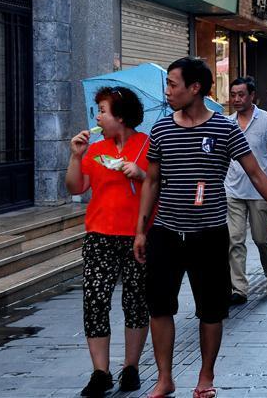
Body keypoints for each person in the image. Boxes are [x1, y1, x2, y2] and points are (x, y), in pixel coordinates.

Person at [133, 58, 267, 398]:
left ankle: (205, 376)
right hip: (165, 232)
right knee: (160, 306)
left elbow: (257, 174)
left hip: (209, 233)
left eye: (172, 85)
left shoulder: (225, 130)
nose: (167, 92)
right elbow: (152, 181)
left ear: (194, 88)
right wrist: (141, 230)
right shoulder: (161, 129)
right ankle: (164, 378)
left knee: (211, 310)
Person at [66, 87, 149, 397]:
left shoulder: (147, 146)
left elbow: (161, 186)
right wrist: (75, 156)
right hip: (99, 234)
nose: (97, 116)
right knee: (95, 301)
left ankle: (131, 367)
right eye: (97, 110)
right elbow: (76, 186)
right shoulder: (95, 149)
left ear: (121, 116)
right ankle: (100, 372)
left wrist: (141, 174)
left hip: (137, 236)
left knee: (136, 302)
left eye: (103, 110)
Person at [225, 77, 267, 305]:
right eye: (233, 95)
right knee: (234, 239)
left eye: (241, 95)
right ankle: (238, 288)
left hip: (260, 191)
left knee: (261, 238)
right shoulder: (227, 122)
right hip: (232, 190)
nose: (236, 99)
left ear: (252, 96)